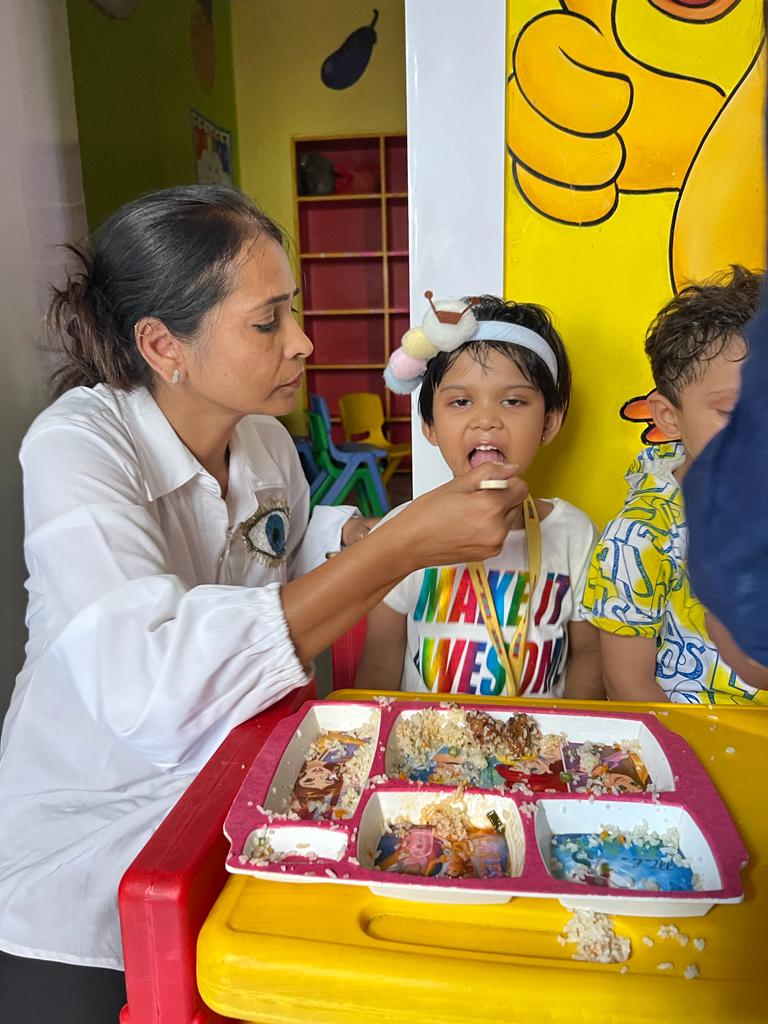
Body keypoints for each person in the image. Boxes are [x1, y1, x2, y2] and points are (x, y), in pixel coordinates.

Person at [0, 185, 528, 1022]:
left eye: (294, 310)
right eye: (267, 321)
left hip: (223, 814)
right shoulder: (78, 447)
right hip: (83, 851)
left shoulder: (264, 442)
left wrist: (358, 537)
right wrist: (400, 547)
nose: (302, 341)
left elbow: (275, 555)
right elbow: (152, 688)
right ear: (162, 344)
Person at [355, 294, 603, 699]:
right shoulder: (401, 532)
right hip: (427, 738)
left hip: (540, 739)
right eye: (461, 401)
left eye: (513, 401)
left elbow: (589, 655)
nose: (486, 420)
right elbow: (380, 663)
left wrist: (577, 732)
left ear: (549, 423)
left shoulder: (575, 534)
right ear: (429, 425)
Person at [582, 266, 768, 704]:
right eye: (733, 413)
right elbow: (628, 686)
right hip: (695, 742)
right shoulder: (641, 536)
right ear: (668, 417)